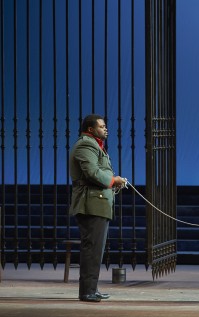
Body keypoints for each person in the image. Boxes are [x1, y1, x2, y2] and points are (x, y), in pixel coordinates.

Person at [69, 114, 127, 302]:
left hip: (98, 203)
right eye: (101, 126)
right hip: (90, 204)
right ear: (91, 129)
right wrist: (113, 180)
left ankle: (91, 288)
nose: (105, 129)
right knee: (92, 249)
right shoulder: (86, 145)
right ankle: (87, 291)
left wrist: (112, 182)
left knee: (96, 249)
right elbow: (92, 172)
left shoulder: (95, 145)